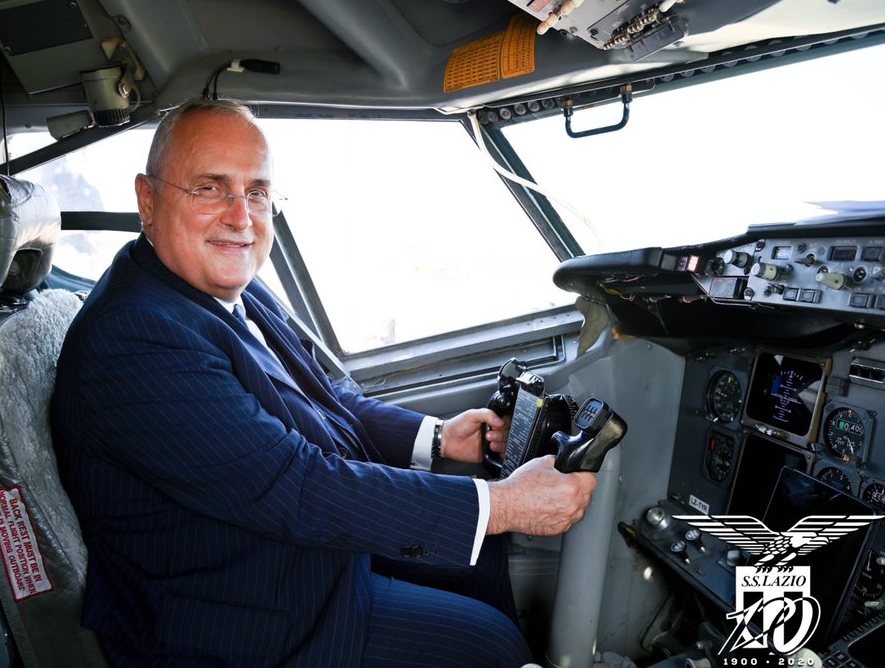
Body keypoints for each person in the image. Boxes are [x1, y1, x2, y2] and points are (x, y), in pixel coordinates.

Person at [51, 98, 597, 667]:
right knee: (491, 646)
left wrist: (438, 439)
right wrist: (504, 503)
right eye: (210, 189)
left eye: (257, 192)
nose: (241, 217)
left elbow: (327, 398)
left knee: (482, 550)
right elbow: (296, 485)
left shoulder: (229, 286)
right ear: (148, 198)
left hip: (279, 549)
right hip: (235, 612)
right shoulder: (137, 337)